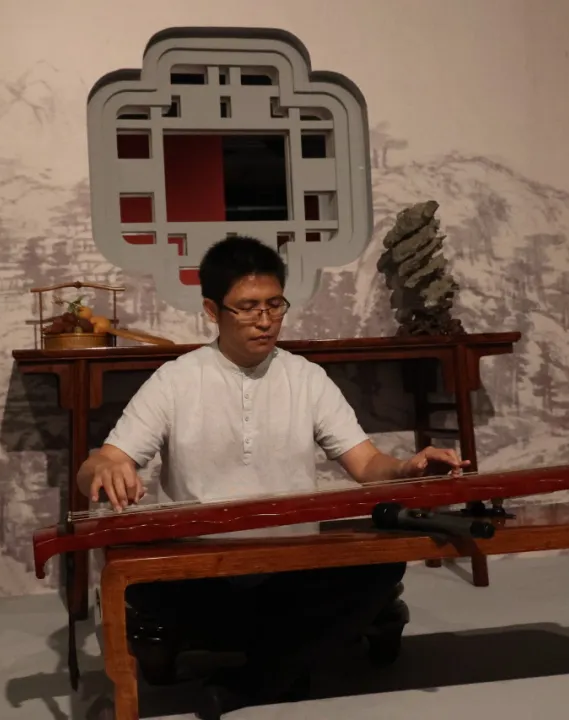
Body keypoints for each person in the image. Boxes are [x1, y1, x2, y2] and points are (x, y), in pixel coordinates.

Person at [76, 235, 467, 718]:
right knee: (147, 587)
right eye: (247, 308)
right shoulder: (176, 380)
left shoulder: (306, 378)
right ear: (212, 311)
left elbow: (367, 465)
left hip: (292, 565)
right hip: (204, 571)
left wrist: (408, 468)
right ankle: (286, 665)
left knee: (383, 563)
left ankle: (253, 681)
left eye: (274, 304)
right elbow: (97, 466)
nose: (264, 320)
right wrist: (107, 466)